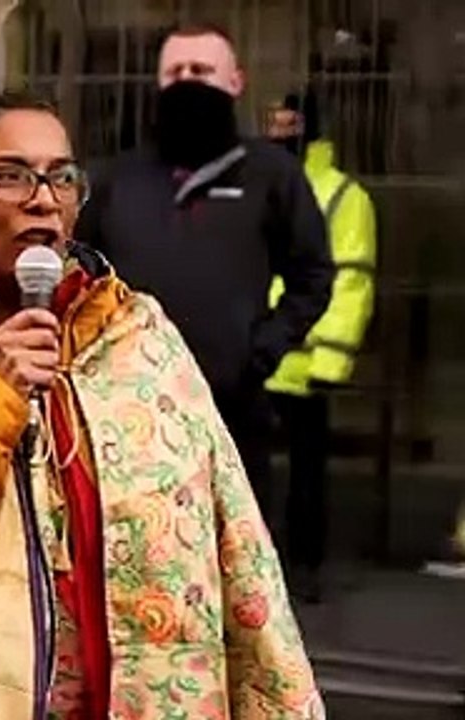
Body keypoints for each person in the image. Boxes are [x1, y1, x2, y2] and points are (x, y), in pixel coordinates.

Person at [0, 92, 323, 719]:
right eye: (10, 177)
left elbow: (239, 553)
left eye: (62, 177)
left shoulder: (138, 338)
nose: (43, 199)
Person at [76, 22, 334, 512]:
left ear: (235, 82)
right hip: (131, 412)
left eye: (202, 70)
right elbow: (80, 271)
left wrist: (262, 349)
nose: (188, 80)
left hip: (231, 411)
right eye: (176, 71)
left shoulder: (272, 175)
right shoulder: (117, 178)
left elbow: (313, 274)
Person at [264, 92, 378, 602]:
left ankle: (304, 568)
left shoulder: (341, 194)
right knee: (245, 472)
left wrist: (331, 359)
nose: (278, 131)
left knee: (306, 477)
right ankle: (253, 572)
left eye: (287, 122)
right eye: (272, 122)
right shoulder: (257, 182)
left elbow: (352, 277)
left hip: (306, 358)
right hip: (256, 353)